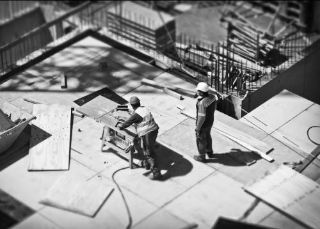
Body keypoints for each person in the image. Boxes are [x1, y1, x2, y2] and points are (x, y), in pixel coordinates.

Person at [118, 96, 162, 180]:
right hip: (154, 130)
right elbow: (138, 117)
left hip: (147, 133)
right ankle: (148, 163)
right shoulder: (144, 108)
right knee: (148, 148)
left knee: (148, 153)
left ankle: (156, 173)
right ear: (139, 103)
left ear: (132, 105)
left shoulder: (137, 114)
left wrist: (121, 125)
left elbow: (127, 123)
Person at [194, 82, 219, 162]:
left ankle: (201, 157)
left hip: (203, 125)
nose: (196, 92)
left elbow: (201, 117)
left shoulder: (202, 103)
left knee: (200, 139)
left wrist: (198, 128)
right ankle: (209, 152)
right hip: (210, 121)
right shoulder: (212, 97)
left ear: (201, 92)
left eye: (198, 91)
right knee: (208, 136)